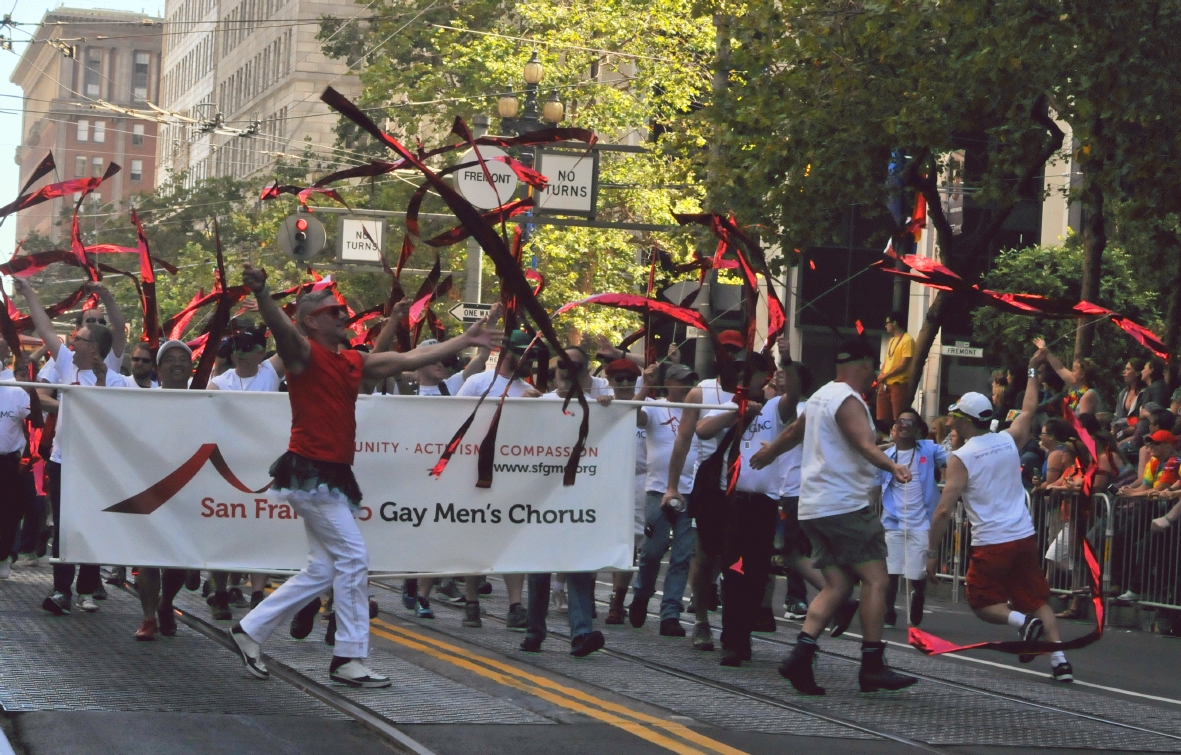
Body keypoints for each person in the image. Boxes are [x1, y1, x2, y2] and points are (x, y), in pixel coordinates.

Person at [229, 264, 501, 687]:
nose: (343, 316)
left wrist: (465, 339)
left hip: (333, 476)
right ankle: (348, 657)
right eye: (334, 310)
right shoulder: (303, 354)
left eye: (342, 310)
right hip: (310, 472)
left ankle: (250, 630)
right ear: (310, 321)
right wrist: (264, 295)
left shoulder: (352, 361)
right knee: (354, 558)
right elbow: (283, 331)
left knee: (323, 570)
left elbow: (409, 358)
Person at [774, 338, 916, 695]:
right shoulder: (848, 400)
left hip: (813, 506)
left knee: (838, 585)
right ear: (866, 364)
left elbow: (794, 432)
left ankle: (800, 658)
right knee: (876, 580)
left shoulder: (821, 395)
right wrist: (893, 465)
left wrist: (767, 454)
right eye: (874, 369)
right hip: (845, 505)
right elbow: (862, 444)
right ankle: (871, 665)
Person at [927, 351, 1075, 683]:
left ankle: (1023, 624)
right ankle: (1061, 663)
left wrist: (931, 553)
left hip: (991, 542)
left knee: (981, 603)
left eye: (954, 416)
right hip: (1022, 535)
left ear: (966, 420)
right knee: (1037, 599)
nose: (950, 420)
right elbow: (1028, 410)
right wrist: (1033, 371)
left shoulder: (961, 457)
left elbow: (943, 509)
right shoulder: (1009, 439)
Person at [14, 278, 131, 616]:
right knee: (65, 527)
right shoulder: (66, 363)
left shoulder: (110, 370)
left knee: (91, 525)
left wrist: (107, 296)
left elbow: (119, 333)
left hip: (97, 465)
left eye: (79, 339)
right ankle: (61, 590)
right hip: (63, 462)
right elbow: (46, 328)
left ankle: (87, 589)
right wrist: (30, 293)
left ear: (93, 347)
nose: (72, 342)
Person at [660, 338, 746, 652]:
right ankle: (700, 621)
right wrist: (672, 486)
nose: (732, 361)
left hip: (742, 490)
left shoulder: (754, 395)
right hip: (710, 487)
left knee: (733, 558)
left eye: (737, 356)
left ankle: (734, 626)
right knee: (704, 556)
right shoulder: (702, 392)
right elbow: (683, 441)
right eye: (727, 354)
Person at [456, 328, 539, 629]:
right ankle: (471, 600)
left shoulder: (530, 389)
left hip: (513, 475)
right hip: (476, 472)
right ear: (506, 353)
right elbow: (453, 419)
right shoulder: (478, 382)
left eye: (531, 354)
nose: (528, 359)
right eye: (522, 353)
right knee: (475, 535)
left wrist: (537, 407)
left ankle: (515, 604)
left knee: (512, 538)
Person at [133, 339, 196, 641]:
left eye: (182, 359)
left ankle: (166, 602)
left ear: (192, 367)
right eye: (169, 359)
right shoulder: (144, 402)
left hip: (188, 490)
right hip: (150, 488)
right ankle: (148, 618)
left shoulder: (204, 401)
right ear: (158, 368)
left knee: (179, 561)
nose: (176, 364)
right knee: (148, 556)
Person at [630, 362, 699, 636]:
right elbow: (631, 416)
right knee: (652, 552)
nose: (687, 385)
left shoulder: (699, 409)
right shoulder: (655, 406)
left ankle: (670, 613)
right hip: (658, 489)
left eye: (690, 380)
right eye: (682, 380)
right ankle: (641, 595)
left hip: (691, 490)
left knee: (682, 556)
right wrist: (646, 386)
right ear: (669, 382)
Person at [877, 409, 947, 628]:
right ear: (895, 428)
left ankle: (918, 593)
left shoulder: (928, 449)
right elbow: (872, 487)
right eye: (901, 422)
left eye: (910, 422)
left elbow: (954, 459)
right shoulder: (886, 458)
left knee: (916, 573)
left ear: (917, 429)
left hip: (921, 522)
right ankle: (889, 613)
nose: (905, 425)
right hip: (892, 522)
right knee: (891, 572)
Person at [604, 357, 644, 625]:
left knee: (630, 545)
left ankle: (617, 601)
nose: (626, 384)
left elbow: (642, 417)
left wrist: (646, 390)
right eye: (620, 379)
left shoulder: (645, 405)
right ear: (609, 382)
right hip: (605, 481)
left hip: (637, 481)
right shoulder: (601, 404)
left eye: (631, 379)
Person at [0, 337, 32, 580]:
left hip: (7, 462)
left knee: (8, 512)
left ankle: (3, 557)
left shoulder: (14, 387)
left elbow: (39, 410)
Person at [1032, 337, 1102, 415]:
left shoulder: (1089, 395)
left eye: (1074, 371)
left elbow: (1084, 423)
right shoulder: (1075, 389)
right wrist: (1046, 351)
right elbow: (1060, 368)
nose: (1071, 373)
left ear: (1082, 375)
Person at [876, 311, 914, 425]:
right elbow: (887, 361)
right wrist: (881, 376)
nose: (885, 325)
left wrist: (884, 376)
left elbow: (903, 365)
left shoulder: (907, 340)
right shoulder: (892, 340)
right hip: (885, 384)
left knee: (898, 417)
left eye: (887, 323)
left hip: (898, 384)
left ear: (895, 323)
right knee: (881, 417)